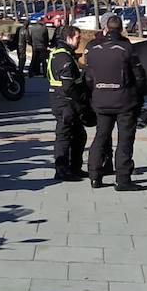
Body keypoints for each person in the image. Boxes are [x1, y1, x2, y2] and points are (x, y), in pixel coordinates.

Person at [85, 15, 147, 191]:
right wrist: (138, 95)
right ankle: (122, 179)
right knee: (125, 140)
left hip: (101, 100)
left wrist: (94, 92)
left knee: (101, 137)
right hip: (124, 101)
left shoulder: (93, 48)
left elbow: (88, 77)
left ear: (105, 28)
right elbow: (140, 76)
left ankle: (95, 176)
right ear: (121, 29)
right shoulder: (126, 48)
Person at [48, 26, 88, 181]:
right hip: (65, 103)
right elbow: (69, 86)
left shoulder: (60, 53)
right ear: (69, 38)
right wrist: (82, 99)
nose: (79, 41)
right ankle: (62, 170)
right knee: (64, 137)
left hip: (63, 101)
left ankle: (74, 167)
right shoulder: (64, 58)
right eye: (77, 38)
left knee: (79, 135)